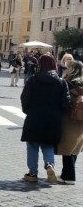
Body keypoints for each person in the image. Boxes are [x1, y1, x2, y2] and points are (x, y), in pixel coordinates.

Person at [21, 54, 70, 183]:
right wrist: (58, 114)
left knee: (32, 145)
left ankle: (32, 173)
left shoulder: (33, 80)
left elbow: (24, 98)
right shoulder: (61, 82)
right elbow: (66, 103)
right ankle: (49, 165)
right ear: (54, 65)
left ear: (40, 65)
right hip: (53, 119)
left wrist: (27, 110)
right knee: (48, 145)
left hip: (34, 116)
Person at [57, 61, 83, 184]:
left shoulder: (68, 82)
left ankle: (69, 176)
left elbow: (64, 101)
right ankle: (65, 174)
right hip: (81, 119)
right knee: (76, 146)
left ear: (72, 69)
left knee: (67, 146)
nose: (66, 69)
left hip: (70, 117)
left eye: (68, 67)